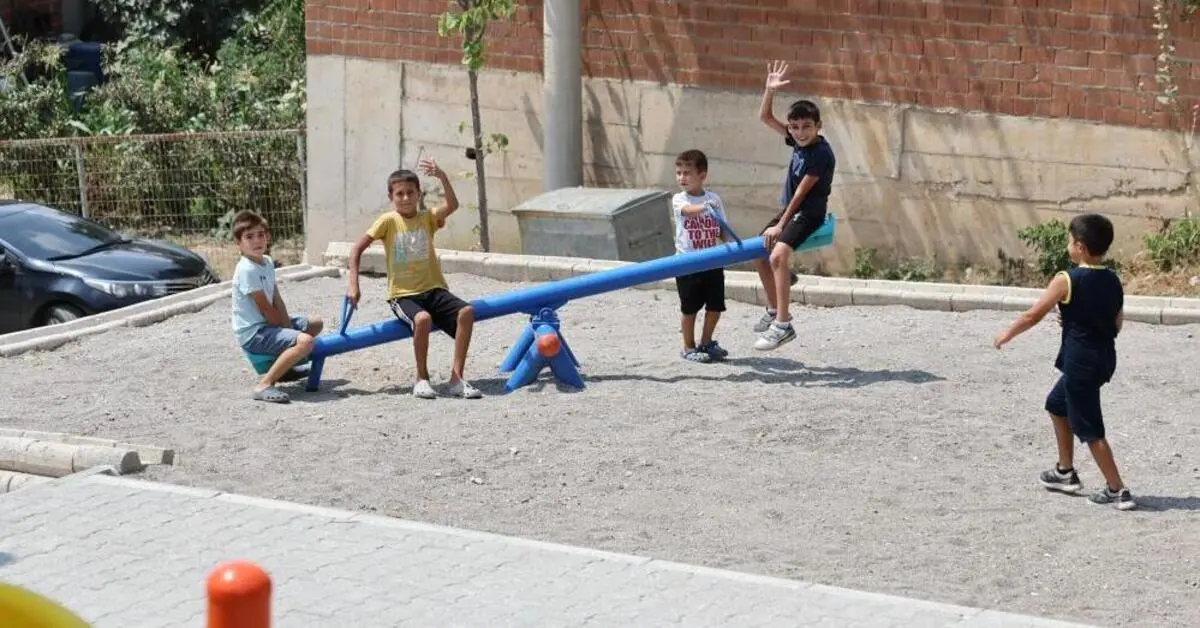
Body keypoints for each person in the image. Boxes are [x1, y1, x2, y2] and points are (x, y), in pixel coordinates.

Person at [993, 213, 1135, 511]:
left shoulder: (1066, 279)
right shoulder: (1113, 280)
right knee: (1057, 405)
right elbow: (1116, 323)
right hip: (1103, 359)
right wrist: (1075, 320)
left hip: (1080, 363)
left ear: (1080, 246)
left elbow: (1034, 314)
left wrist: (1008, 332)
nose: (1068, 246)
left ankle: (1117, 489)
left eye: (1071, 241)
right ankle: (1064, 472)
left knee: (1090, 428)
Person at [345, 158, 481, 400]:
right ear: (391, 197)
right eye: (400, 194)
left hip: (434, 289)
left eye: (410, 193)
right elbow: (356, 250)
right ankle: (421, 378)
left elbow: (452, 205)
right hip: (403, 294)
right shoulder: (388, 221)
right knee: (422, 319)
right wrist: (354, 285)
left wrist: (442, 176)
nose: (406, 198)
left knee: (467, 312)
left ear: (419, 194)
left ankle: (456, 378)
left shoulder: (427, 218)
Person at [751, 60, 837, 352]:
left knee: (776, 255)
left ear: (818, 126)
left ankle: (783, 325)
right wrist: (769, 89)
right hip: (791, 210)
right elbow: (764, 116)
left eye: (807, 127)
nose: (800, 132)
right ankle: (775, 306)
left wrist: (780, 224)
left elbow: (801, 194)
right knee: (759, 253)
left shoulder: (820, 153)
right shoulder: (798, 141)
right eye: (795, 127)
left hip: (808, 213)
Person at [231, 210, 324, 404]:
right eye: (249, 237)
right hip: (254, 333)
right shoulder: (247, 269)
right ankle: (264, 385)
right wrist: (293, 337)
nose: (257, 241)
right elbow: (265, 309)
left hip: (266, 325)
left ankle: (285, 370)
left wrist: (289, 330)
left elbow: (276, 300)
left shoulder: (267, 262)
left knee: (315, 323)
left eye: (261, 235)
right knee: (305, 342)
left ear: (268, 237)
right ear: (238, 243)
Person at [671, 149, 734, 363]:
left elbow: (722, 227)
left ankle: (706, 343)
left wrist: (732, 244)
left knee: (716, 307)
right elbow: (688, 210)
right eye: (679, 173)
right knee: (689, 309)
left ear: (702, 175)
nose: (682, 178)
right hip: (687, 263)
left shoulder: (714, 199)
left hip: (713, 261)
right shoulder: (679, 199)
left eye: (687, 173)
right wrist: (704, 208)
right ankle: (688, 347)